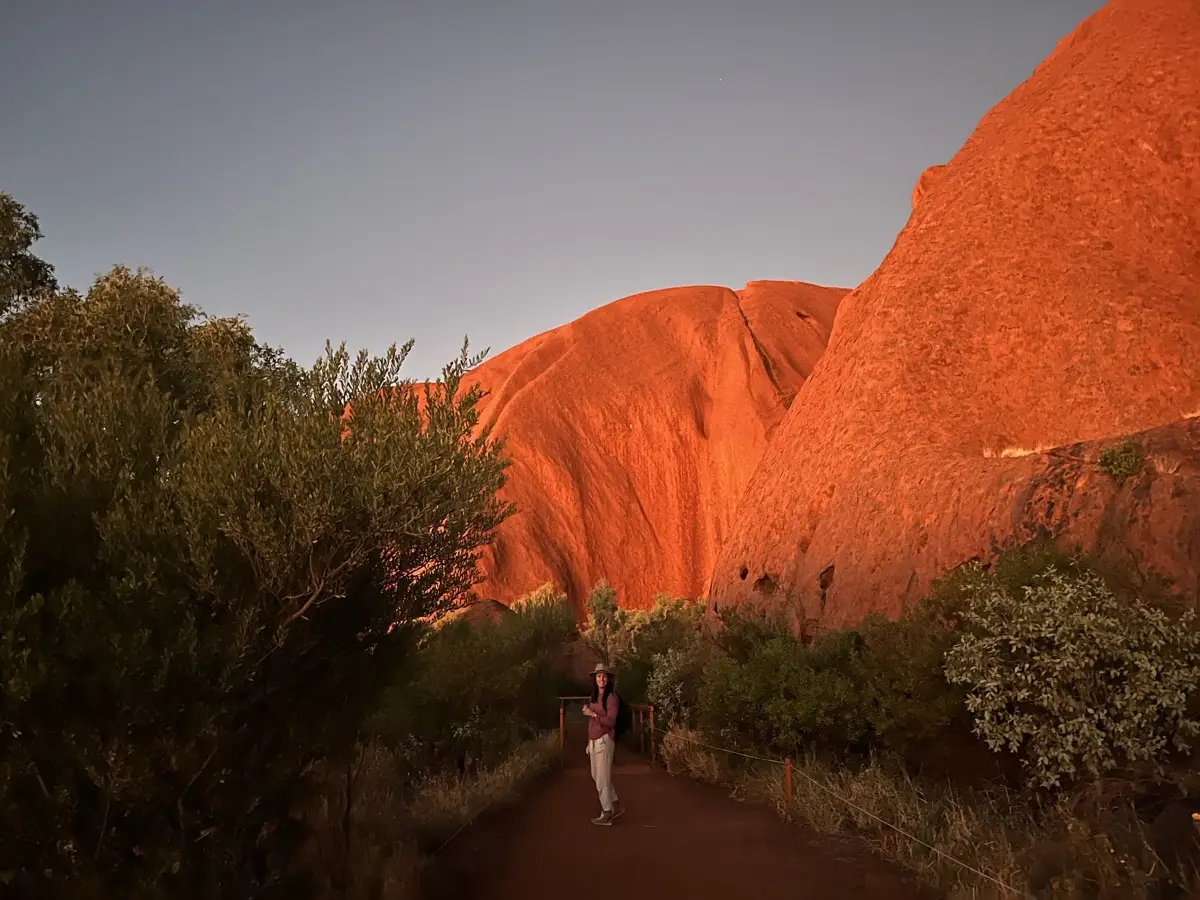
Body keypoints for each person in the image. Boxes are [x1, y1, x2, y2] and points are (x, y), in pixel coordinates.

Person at [582, 661, 625, 825]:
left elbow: (611, 721)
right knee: (596, 775)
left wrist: (593, 714)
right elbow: (592, 723)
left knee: (602, 778)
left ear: (608, 680)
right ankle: (614, 804)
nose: (602, 679)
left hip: (605, 740)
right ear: (595, 679)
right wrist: (589, 741)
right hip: (594, 741)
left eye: (604, 676)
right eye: (599, 676)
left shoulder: (611, 698)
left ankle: (607, 812)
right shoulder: (594, 696)